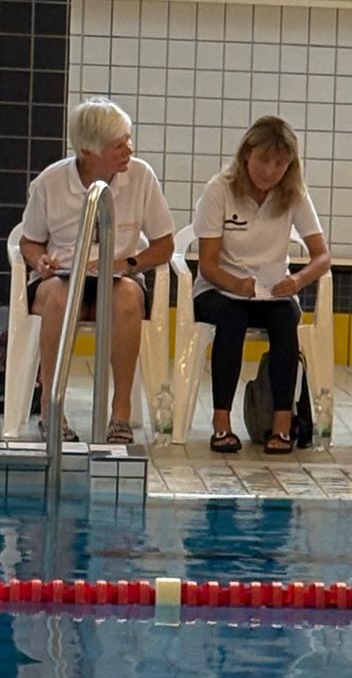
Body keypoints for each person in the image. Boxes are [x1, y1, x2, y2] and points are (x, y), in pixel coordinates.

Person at [20, 98, 174, 444]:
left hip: (119, 277)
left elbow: (164, 245)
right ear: (89, 152)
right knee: (60, 298)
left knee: (126, 299)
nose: (129, 149)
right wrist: (40, 261)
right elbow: (29, 242)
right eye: (119, 144)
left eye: (128, 139)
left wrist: (127, 264)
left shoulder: (140, 176)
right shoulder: (51, 182)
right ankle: (50, 407)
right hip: (62, 277)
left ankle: (120, 412)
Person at [192, 116, 330, 456]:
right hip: (218, 289)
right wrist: (236, 284)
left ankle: (281, 423)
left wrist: (297, 280)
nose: (270, 171)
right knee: (233, 318)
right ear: (246, 155)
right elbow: (207, 263)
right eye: (263, 160)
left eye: (280, 164)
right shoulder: (219, 189)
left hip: (269, 292)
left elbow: (322, 256)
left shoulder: (293, 195)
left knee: (287, 318)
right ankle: (221, 421)